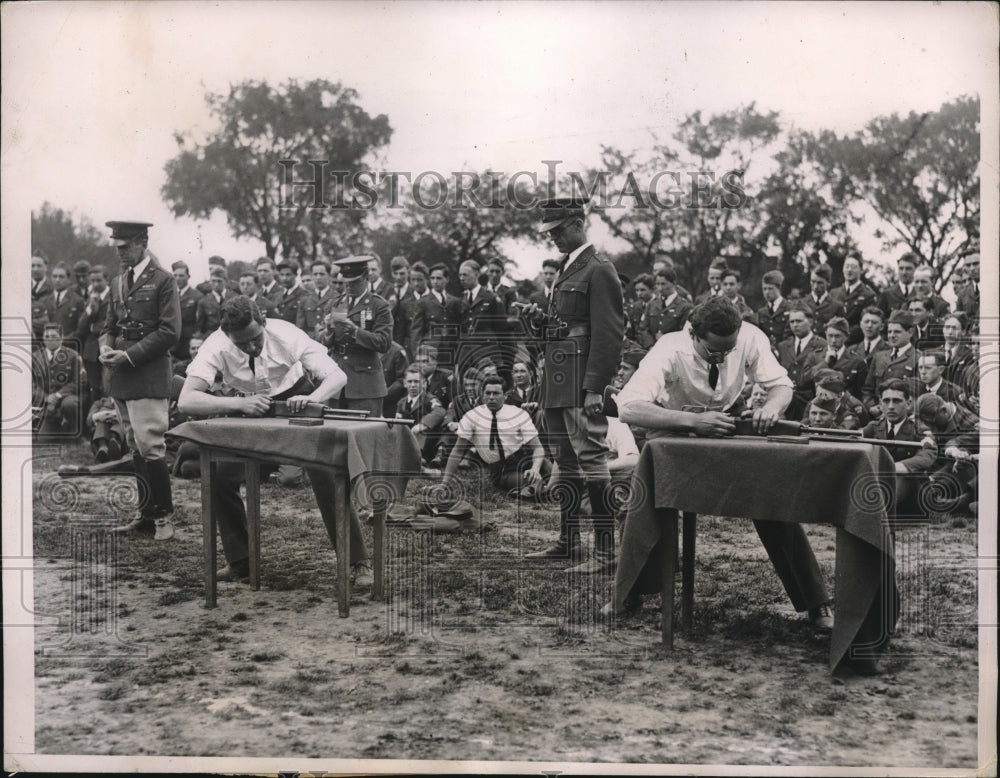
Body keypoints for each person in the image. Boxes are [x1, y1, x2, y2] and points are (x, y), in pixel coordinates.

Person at [607, 296, 834, 630]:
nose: (724, 357)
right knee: (639, 502)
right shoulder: (669, 347)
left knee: (772, 500)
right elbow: (629, 408)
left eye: (730, 351)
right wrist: (692, 423)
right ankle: (629, 591)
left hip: (724, 426)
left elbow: (782, 386)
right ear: (693, 334)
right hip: (673, 428)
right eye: (714, 352)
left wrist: (771, 408)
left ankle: (816, 602)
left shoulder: (750, 336)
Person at [176, 295, 373, 585]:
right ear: (227, 335)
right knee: (218, 473)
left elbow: (337, 376)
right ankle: (241, 561)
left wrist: (312, 397)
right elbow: (186, 400)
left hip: (297, 401)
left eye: (256, 339)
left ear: (264, 323)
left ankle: (357, 562)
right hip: (247, 408)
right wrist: (236, 405)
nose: (252, 347)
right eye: (242, 344)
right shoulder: (215, 344)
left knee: (326, 471)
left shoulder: (287, 333)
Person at [521, 196, 624, 575]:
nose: (554, 239)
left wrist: (595, 387)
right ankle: (567, 544)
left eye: (560, 230)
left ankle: (604, 552)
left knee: (592, 460)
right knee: (565, 463)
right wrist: (537, 321)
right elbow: (562, 328)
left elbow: (609, 335)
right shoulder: (566, 267)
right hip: (558, 375)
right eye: (550, 233)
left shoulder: (599, 269)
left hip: (581, 379)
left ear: (579, 222)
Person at [99, 221, 181, 541]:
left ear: (143, 242)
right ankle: (146, 514)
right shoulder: (118, 282)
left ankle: (164, 517)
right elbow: (110, 325)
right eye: (117, 247)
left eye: (126, 246)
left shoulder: (163, 280)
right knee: (135, 445)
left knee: (151, 445)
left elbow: (169, 332)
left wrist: (130, 356)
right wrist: (106, 347)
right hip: (122, 374)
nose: (120, 252)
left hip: (146, 373)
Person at [441, 374, 548, 494]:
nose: (491, 397)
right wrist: (444, 484)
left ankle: (544, 487)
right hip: (504, 468)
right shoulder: (472, 416)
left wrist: (535, 468)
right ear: (482, 394)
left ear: (505, 395)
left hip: (526, 458)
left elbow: (538, 448)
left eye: (496, 393)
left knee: (557, 475)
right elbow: (457, 451)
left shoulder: (518, 413)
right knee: (533, 483)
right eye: (488, 393)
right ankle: (538, 489)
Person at [318, 255, 393, 416]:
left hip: (365, 385)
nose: (349, 287)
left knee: (365, 434)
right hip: (336, 382)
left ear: (366, 278)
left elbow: (384, 343)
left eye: (354, 282)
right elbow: (322, 346)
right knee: (333, 434)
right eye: (346, 282)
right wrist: (329, 332)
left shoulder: (378, 305)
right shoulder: (334, 304)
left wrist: (355, 331)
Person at [862, 379, 937, 522]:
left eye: (896, 401)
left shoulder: (920, 430)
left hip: (910, 495)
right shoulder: (873, 427)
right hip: (880, 485)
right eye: (886, 401)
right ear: (880, 403)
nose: (890, 406)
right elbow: (854, 442)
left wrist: (891, 467)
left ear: (908, 404)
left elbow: (927, 455)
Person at [862, 309, 918, 419]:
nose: (892, 335)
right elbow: (868, 389)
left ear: (910, 332)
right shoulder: (879, 357)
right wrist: (871, 406)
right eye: (889, 332)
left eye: (897, 332)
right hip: (877, 418)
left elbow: (917, 395)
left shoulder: (917, 358)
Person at [776, 304, 827, 421]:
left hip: (809, 402)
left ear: (810, 321)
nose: (794, 325)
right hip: (786, 401)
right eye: (792, 322)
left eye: (798, 321)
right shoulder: (784, 346)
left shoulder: (822, 345)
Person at [32, 323, 84, 438]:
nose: (50, 340)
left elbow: (80, 382)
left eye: (54, 336)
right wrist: (45, 397)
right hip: (44, 400)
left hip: (66, 397)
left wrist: (58, 395)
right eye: (47, 336)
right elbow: (30, 384)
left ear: (61, 338)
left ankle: (73, 433)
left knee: (70, 404)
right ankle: (57, 426)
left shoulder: (73, 356)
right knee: (43, 439)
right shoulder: (35, 357)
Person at [75, 265, 111, 404]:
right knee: (94, 388)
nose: (95, 284)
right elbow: (81, 327)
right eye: (93, 281)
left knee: (107, 387)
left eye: (99, 280)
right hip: (91, 352)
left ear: (106, 280)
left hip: (107, 347)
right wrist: (90, 310)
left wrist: (93, 327)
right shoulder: (91, 299)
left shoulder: (114, 297)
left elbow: (109, 324)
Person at [830, 253, 879, 346]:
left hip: (855, 344)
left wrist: (843, 336)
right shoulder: (834, 293)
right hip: (833, 342)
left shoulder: (868, 295)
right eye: (847, 266)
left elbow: (866, 323)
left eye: (853, 267)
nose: (849, 270)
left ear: (861, 270)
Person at [45, 263, 87, 342]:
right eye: (55, 276)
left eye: (61, 277)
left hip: (69, 345)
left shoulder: (77, 301)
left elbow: (81, 328)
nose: (57, 280)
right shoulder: (45, 300)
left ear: (69, 279)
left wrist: (65, 340)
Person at [170, 260, 203, 361]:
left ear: (188, 276)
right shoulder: (169, 295)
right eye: (175, 275)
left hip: (188, 345)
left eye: (181, 275)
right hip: (172, 344)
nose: (178, 278)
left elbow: (200, 323)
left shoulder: (197, 296)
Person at [804, 264, 845, 335]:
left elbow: (842, 333)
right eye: (813, 282)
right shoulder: (802, 303)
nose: (816, 286)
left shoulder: (837, 306)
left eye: (820, 283)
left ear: (828, 283)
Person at [755, 269, 791, 347]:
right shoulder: (761, 312)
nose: (767, 292)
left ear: (779, 288)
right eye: (764, 289)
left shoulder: (789, 308)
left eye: (770, 288)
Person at [877, 252, 918, 317]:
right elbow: (879, 319)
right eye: (901, 268)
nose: (904, 272)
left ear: (916, 270)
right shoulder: (887, 294)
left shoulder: (921, 292)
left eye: (908, 269)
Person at [195, 266, 230, 335]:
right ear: (210, 281)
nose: (216, 284)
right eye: (213, 281)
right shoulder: (203, 302)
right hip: (211, 337)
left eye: (219, 281)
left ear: (225, 281)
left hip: (231, 337)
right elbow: (200, 326)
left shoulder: (234, 298)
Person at [272, 259, 306, 324]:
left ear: (295, 275)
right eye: (282, 275)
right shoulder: (276, 295)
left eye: (288, 275)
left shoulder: (304, 295)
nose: (284, 278)